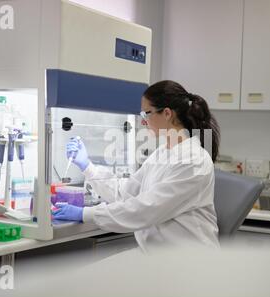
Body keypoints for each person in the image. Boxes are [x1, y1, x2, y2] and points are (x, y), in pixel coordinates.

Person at [52, 80, 221, 252]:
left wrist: (85, 214)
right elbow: (126, 192)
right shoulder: (162, 153)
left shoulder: (194, 161)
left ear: (167, 113)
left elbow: (146, 209)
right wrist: (87, 166)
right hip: (162, 259)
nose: (143, 121)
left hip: (192, 262)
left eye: (146, 114)